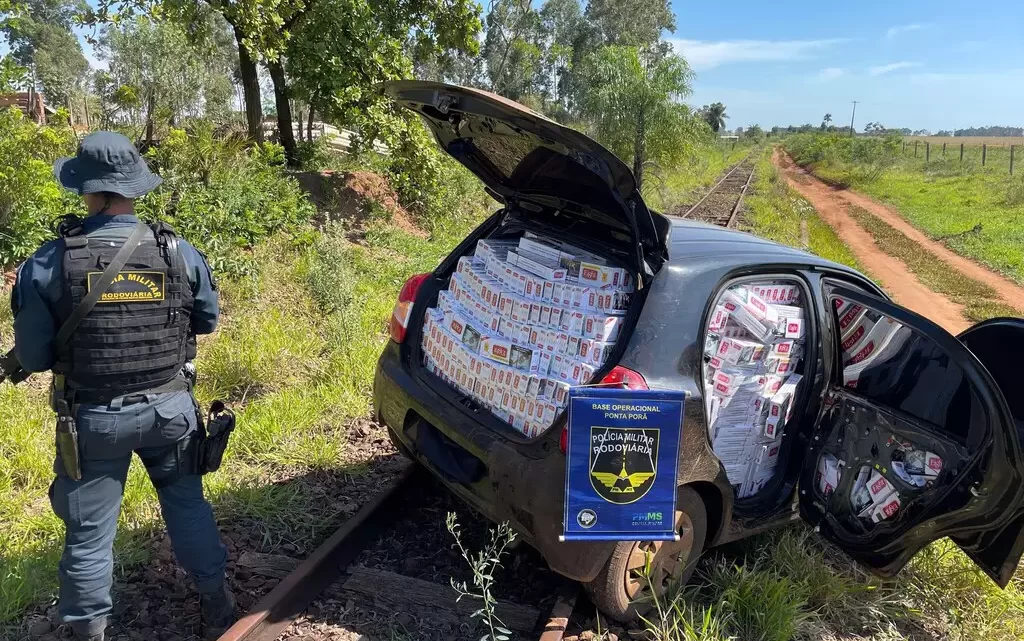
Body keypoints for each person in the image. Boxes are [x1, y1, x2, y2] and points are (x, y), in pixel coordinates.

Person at [11, 132, 236, 640]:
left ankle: (89, 631)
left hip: (93, 422)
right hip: (171, 411)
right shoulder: (177, 251)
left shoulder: (50, 261)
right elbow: (206, 320)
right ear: (133, 186)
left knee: (90, 535)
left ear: (87, 190)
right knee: (187, 504)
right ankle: (218, 604)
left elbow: (33, 356)